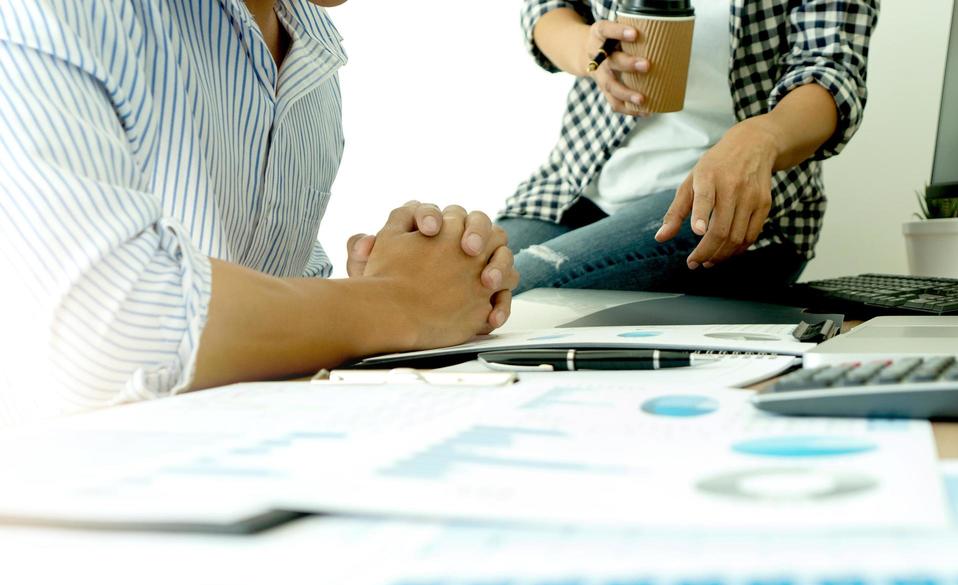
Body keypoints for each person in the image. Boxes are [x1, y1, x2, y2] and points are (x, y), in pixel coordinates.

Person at [0, 0, 518, 424]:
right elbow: (115, 328)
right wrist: (399, 302)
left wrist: (389, 281)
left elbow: (265, 325)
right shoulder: (52, 13)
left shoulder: (308, 45)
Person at [501, 0, 878, 296]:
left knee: (501, 293)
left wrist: (763, 137)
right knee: (461, 275)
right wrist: (588, 49)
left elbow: (832, 72)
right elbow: (545, 9)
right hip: (575, 185)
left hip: (726, 202)